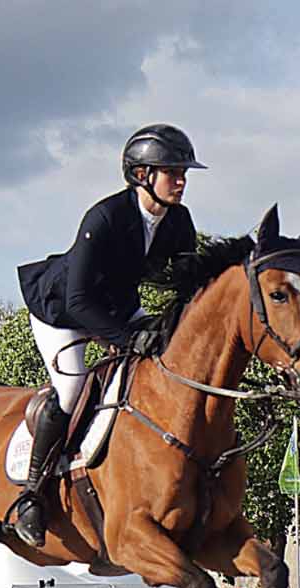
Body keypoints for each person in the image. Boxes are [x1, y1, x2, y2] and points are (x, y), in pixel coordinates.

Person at [13, 123, 205, 547]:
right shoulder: (105, 217)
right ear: (141, 175)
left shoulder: (179, 220)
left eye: (183, 172)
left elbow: (189, 286)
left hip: (119, 306)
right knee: (73, 387)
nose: (181, 180)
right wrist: (125, 338)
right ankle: (31, 496)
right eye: (172, 171)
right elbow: (81, 301)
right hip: (62, 310)